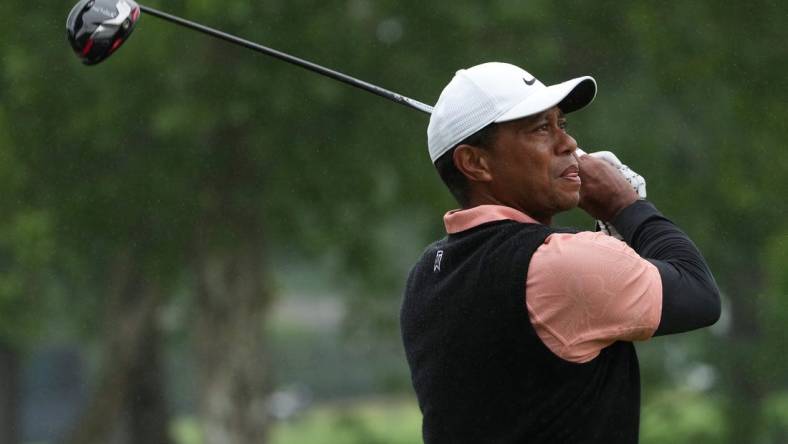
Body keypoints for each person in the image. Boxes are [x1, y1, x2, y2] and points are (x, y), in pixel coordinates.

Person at [400, 62, 721, 443]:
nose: (567, 144)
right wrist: (626, 207)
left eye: (561, 125)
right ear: (474, 162)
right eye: (540, 129)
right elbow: (699, 293)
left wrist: (611, 233)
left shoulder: (427, 274)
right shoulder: (559, 263)